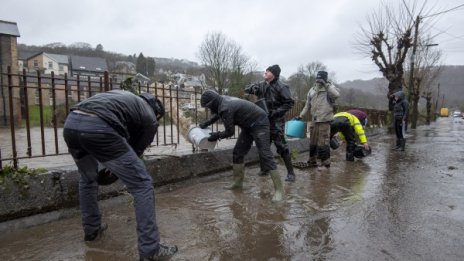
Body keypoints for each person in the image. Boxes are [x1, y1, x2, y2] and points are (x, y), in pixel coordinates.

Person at [62, 90, 178, 261]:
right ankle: (151, 251)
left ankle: (92, 230)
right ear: (157, 113)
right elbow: (135, 151)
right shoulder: (150, 117)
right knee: (142, 184)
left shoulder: (124, 99)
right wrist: (115, 171)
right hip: (98, 126)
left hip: (71, 124)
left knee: (87, 179)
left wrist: (111, 167)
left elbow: (119, 142)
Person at [199, 90, 284, 201]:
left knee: (265, 154)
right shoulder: (221, 101)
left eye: (209, 107)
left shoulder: (226, 107)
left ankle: (279, 190)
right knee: (237, 153)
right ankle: (237, 183)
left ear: (213, 103)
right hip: (248, 126)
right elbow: (218, 114)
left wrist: (216, 136)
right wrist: (206, 123)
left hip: (260, 123)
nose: (209, 109)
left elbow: (229, 132)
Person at [244, 64, 296, 182]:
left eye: (268, 71)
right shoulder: (261, 85)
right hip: (262, 120)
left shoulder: (282, 87)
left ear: (274, 74)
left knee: (281, 146)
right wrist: (253, 88)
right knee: (263, 145)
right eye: (265, 71)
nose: (265, 72)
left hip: (276, 120)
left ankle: (291, 173)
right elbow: (246, 89)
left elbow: (289, 103)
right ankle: (265, 169)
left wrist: (275, 112)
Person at [297, 71, 340, 168]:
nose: (318, 81)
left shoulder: (329, 88)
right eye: (317, 79)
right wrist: (301, 115)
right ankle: (312, 160)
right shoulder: (311, 90)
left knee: (323, 141)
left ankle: (325, 162)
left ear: (324, 79)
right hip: (314, 119)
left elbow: (336, 95)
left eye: (320, 79)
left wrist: (326, 85)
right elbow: (307, 105)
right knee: (312, 141)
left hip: (325, 120)